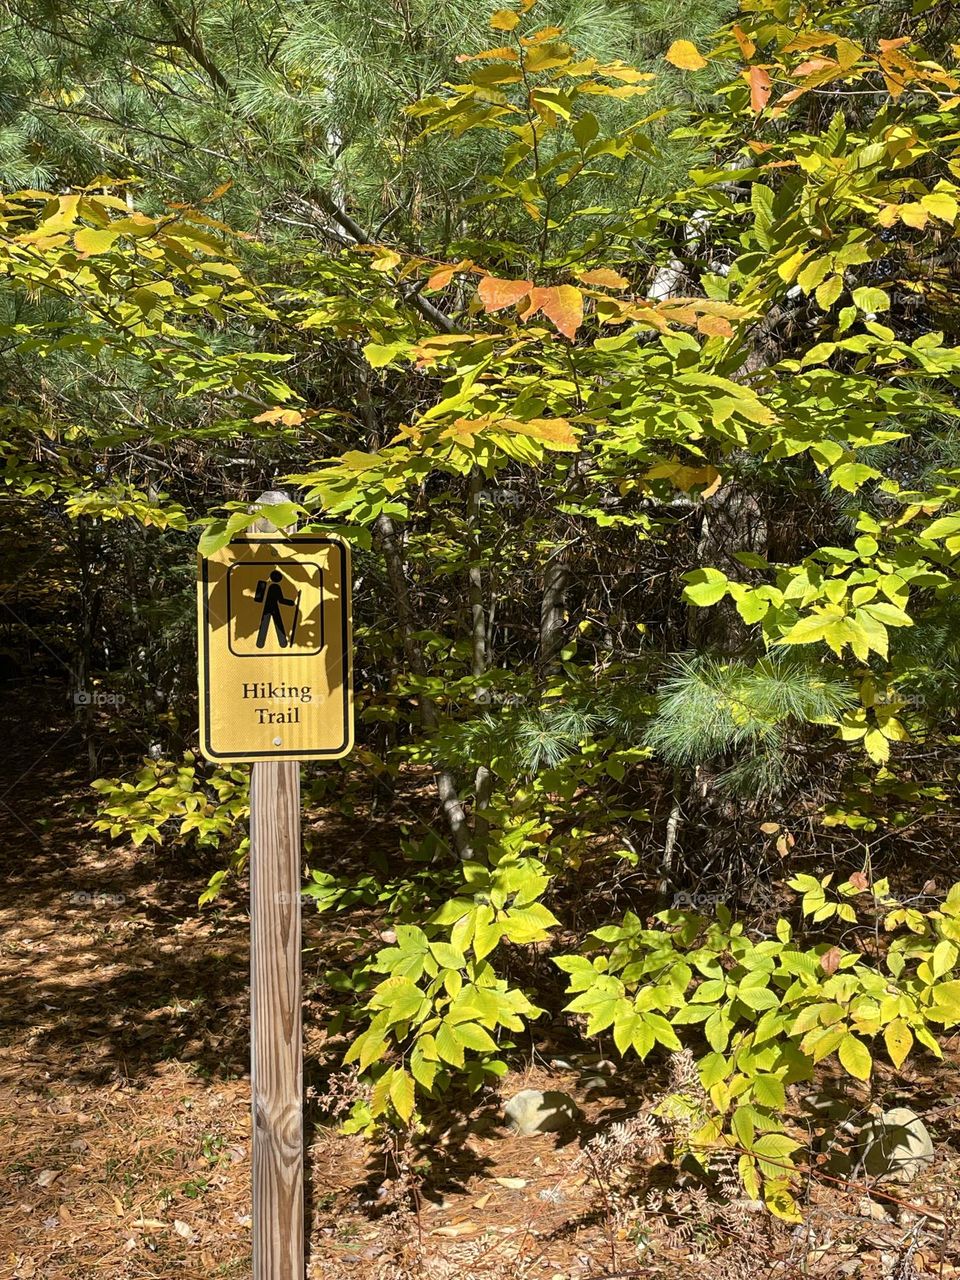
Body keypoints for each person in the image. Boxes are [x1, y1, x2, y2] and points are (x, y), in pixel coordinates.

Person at [255, 570, 295, 648]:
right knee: (277, 623)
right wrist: (291, 603)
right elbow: (281, 600)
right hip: (273, 608)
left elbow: (258, 598)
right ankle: (282, 643)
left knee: (265, 624)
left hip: (267, 608)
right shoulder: (275, 587)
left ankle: (260, 643)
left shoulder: (264, 584)